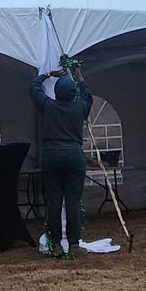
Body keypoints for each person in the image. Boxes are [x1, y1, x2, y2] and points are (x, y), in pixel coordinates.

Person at [31, 67, 92, 257]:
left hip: (52, 156)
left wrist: (48, 74)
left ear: (56, 92)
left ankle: (56, 243)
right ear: (73, 94)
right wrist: (78, 75)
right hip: (74, 155)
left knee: (54, 202)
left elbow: (33, 87)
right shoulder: (80, 108)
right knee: (73, 201)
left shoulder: (48, 106)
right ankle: (74, 243)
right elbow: (88, 94)